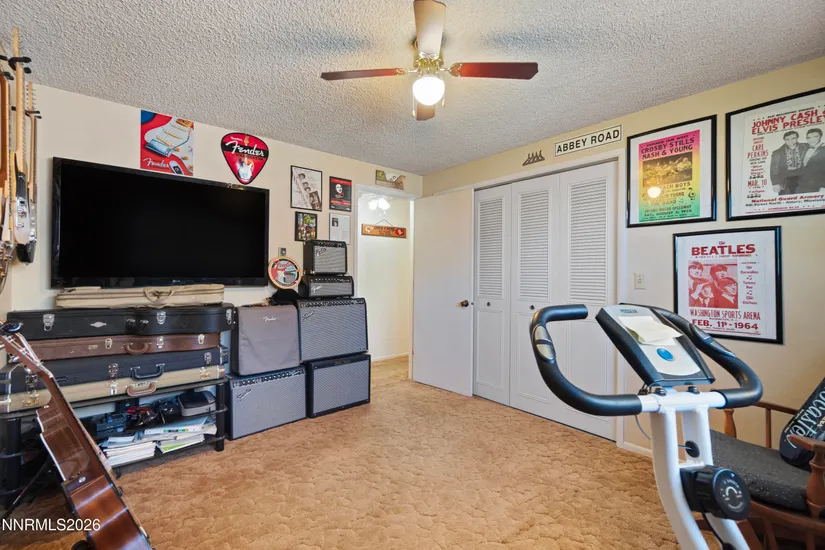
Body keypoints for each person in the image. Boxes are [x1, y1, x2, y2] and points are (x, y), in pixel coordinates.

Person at [799, 127, 825, 194]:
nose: (811, 140)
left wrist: (823, 187)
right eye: (808, 138)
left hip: (818, 186)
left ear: (820, 137)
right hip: (803, 185)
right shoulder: (805, 148)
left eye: (815, 137)